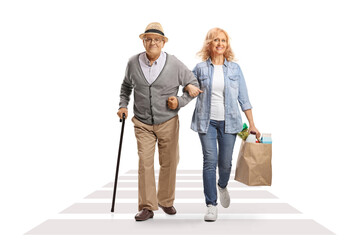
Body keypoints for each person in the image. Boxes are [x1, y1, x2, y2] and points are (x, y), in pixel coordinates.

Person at [117, 22, 199, 221]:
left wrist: (179, 101)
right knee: (145, 163)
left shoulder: (174, 63)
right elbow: (126, 86)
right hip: (142, 122)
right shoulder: (133, 63)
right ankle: (147, 206)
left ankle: (166, 200)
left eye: (157, 39)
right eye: (148, 39)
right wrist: (123, 105)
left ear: (163, 43)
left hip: (168, 122)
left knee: (169, 162)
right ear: (143, 41)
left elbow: (194, 85)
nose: (152, 42)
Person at [185, 28, 260, 222]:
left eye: (224, 41)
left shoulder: (234, 69)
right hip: (206, 122)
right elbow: (187, 85)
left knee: (225, 164)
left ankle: (222, 185)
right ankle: (211, 204)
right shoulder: (200, 68)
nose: (220, 43)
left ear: (227, 45)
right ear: (209, 43)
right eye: (216, 40)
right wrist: (186, 88)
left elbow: (244, 98)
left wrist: (251, 123)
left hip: (230, 123)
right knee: (209, 162)